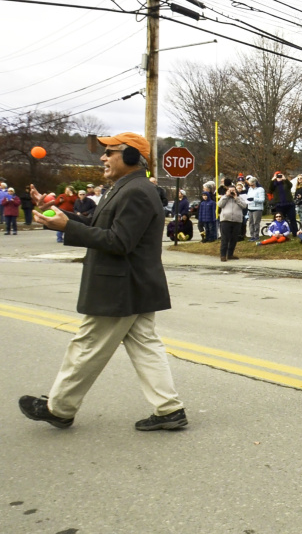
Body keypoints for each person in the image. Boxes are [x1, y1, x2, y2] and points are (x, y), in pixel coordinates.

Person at [18, 132, 187, 432]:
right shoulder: (123, 189)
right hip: (131, 285)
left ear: (133, 157)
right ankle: (169, 410)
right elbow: (99, 227)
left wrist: (68, 226)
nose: (103, 157)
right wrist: (60, 216)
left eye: (111, 152)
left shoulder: (135, 191)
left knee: (86, 346)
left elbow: (119, 241)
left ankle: (59, 409)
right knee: (145, 346)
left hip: (121, 287)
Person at [218, 183, 246, 262]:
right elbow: (220, 204)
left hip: (237, 221)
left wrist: (236, 198)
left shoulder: (239, 198)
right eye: (230, 191)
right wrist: (226, 196)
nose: (232, 192)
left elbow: (244, 206)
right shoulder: (224, 198)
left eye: (233, 190)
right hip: (225, 220)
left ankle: (230, 254)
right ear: (227, 191)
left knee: (234, 238)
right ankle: (223, 255)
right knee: (225, 238)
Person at [244, 176, 265, 242]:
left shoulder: (260, 189)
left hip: (257, 208)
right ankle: (252, 235)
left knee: (256, 222)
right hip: (250, 207)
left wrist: (254, 199)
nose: (250, 186)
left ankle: (256, 236)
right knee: (251, 222)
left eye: (251, 184)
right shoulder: (250, 189)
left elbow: (262, 199)